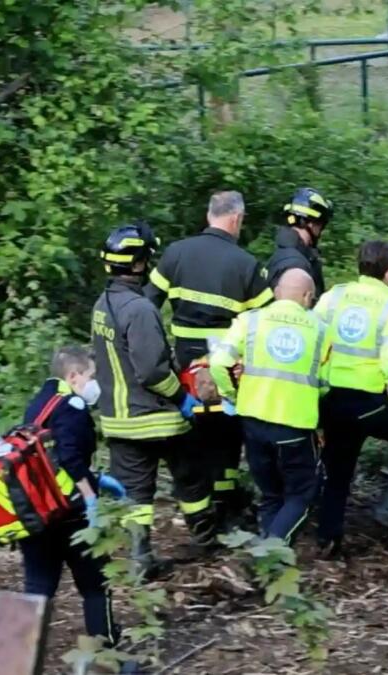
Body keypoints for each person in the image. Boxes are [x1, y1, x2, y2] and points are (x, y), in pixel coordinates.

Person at [145, 191, 271, 530]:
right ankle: (225, 504)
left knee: (194, 437)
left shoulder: (175, 254)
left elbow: (146, 307)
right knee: (229, 436)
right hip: (226, 368)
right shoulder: (247, 265)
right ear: (236, 219)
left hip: (184, 365)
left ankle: (201, 511)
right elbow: (264, 324)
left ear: (209, 215)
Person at [93, 221, 205, 579]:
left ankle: (140, 558)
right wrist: (184, 398)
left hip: (118, 420)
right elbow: (153, 372)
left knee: (137, 493)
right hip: (156, 417)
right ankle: (206, 536)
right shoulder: (139, 310)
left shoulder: (102, 304)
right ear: (139, 263)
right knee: (191, 476)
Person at [314, 240, 388, 553]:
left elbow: (313, 339)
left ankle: (328, 538)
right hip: (367, 400)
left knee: (338, 468)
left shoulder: (334, 295)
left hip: (330, 399)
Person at [208, 269, 331, 542]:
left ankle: (266, 551)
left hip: (252, 420)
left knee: (271, 493)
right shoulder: (321, 331)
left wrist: (232, 395)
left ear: (276, 292)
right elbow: (325, 383)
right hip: (295, 426)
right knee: (301, 495)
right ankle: (271, 553)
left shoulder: (249, 321)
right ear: (308, 296)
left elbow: (218, 363)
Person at [19, 346, 121, 645]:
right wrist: (90, 495)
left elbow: (47, 457)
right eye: (91, 375)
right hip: (68, 512)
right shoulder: (71, 405)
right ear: (74, 375)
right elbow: (70, 457)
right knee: (95, 584)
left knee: (38, 585)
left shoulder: (40, 402)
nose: (93, 382)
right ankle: (106, 657)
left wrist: (97, 478)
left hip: (34, 508)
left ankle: (16, 660)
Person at [264, 187, 333, 296]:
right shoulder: (297, 265)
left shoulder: (280, 255)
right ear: (312, 223)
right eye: (321, 225)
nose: (320, 230)